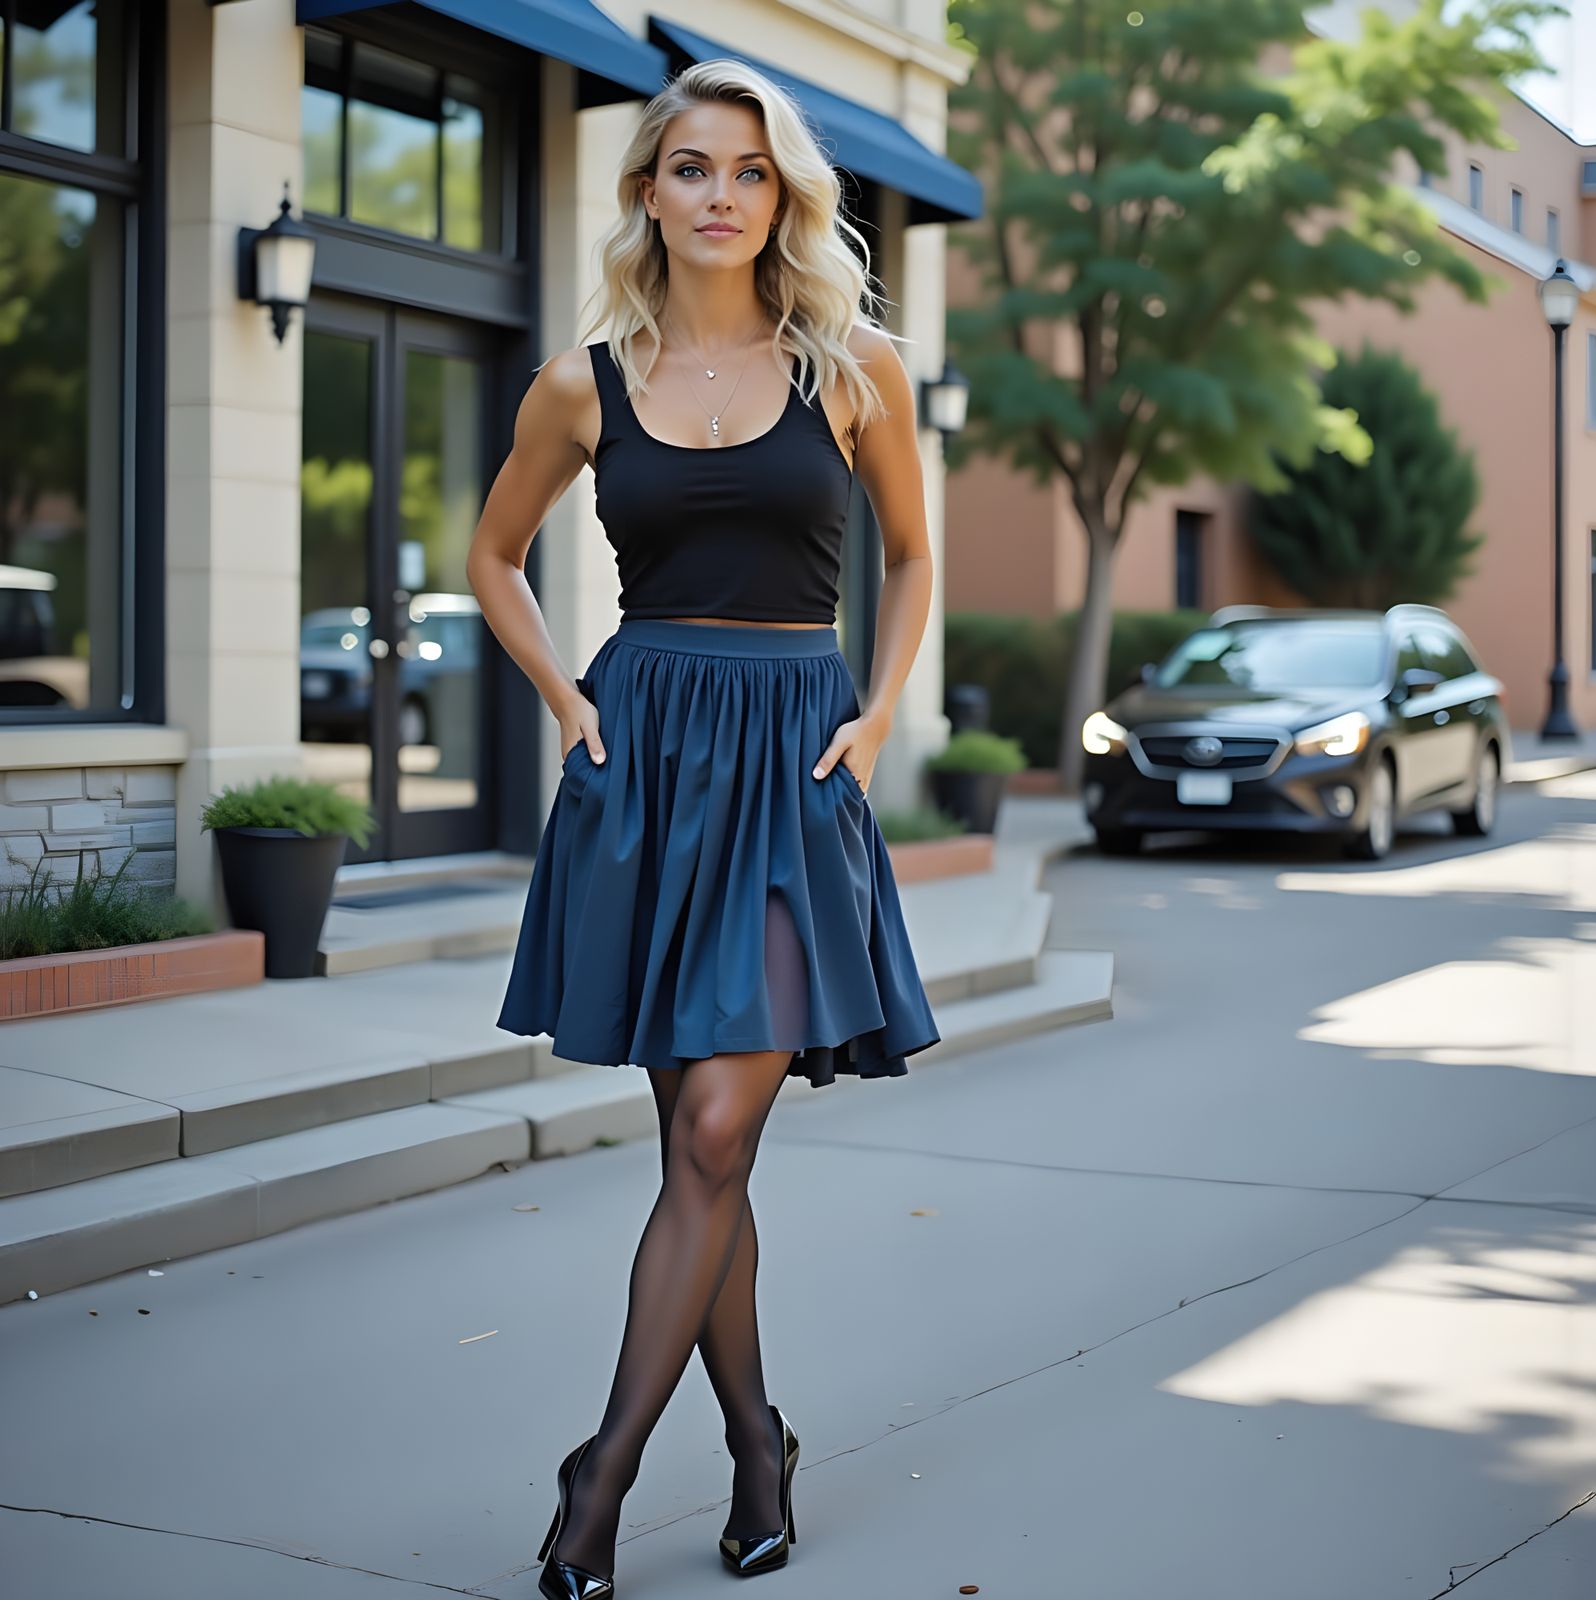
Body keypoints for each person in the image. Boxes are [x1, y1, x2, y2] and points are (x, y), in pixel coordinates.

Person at [467, 56, 941, 1600]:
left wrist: (873, 716)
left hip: (796, 767)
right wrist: (564, 699)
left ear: (782, 194)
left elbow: (917, 561)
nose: (721, 196)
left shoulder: (852, 364)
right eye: (691, 169)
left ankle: (595, 1483)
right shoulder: (583, 382)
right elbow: (493, 556)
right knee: (699, 1148)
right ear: (648, 191)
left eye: (749, 171)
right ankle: (758, 1448)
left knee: (719, 1129)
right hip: (651, 762)